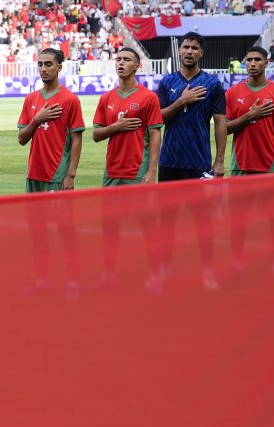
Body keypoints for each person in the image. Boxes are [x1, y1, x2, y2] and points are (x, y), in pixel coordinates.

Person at [156, 31, 226, 289]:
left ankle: (207, 270)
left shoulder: (212, 84)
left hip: (199, 163)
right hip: (169, 161)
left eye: (194, 48)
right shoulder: (167, 82)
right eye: (185, 47)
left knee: (202, 222)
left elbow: (220, 123)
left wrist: (219, 161)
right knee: (167, 220)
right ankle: (164, 269)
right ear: (180, 50)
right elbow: (158, 118)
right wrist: (181, 101)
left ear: (201, 53)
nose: (189, 51)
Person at [92, 47, 164, 290]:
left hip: (138, 171)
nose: (121, 63)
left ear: (137, 66)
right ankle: (109, 275)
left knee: (147, 226)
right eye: (118, 59)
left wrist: (151, 171)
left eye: (126, 60)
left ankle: (154, 274)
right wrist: (117, 126)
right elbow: (96, 135)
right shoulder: (106, 98)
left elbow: (155, 134)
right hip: (112, 172)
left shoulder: (148, 98)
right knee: (110, 228)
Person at [17, 48, 84, 298]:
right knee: (38, 233)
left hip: (57, 176)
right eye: (40, 64)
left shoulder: (69, 100)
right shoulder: (31, 100)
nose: (43, 69)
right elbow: (21, 138)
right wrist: (37, 118)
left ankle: (72, 282)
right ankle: (41, 281)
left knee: (65, 231)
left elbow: (77, 140)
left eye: (48, 64)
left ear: (59, 67)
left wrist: (70, 175)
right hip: (34, 175)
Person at [225, 46, 274, 274]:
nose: (252, 64)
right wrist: (249, 116)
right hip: (240, 165)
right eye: (249, 60)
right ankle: (237, 262)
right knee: (238, 219)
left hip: (269, 166)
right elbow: (224, 129)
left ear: (266, 62)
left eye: (257, 60)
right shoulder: (232, 93)